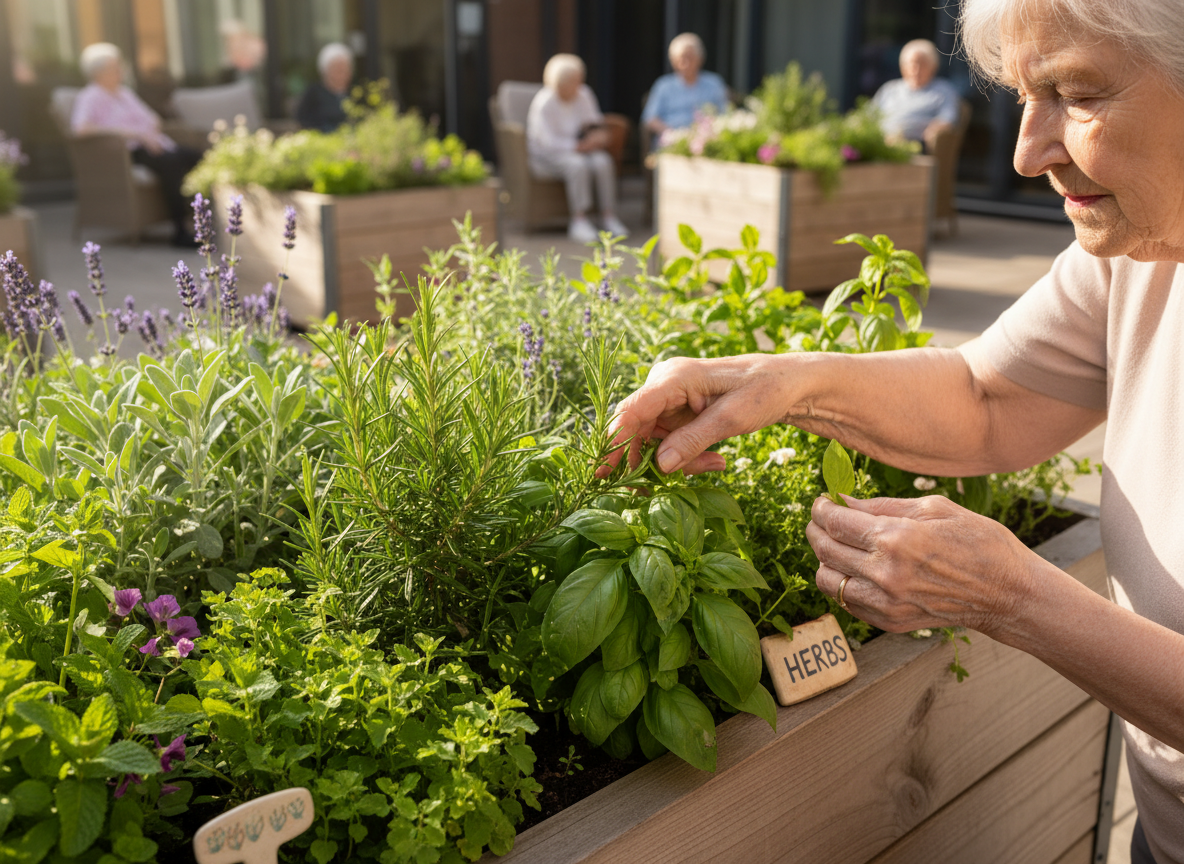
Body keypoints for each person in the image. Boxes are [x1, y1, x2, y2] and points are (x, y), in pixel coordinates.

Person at [602, 2, 1184, 862]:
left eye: (1073, 92)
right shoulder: (1145, 251)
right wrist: (774, 381)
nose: (1027, 152)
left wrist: (1014, 596)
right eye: (1025, 96)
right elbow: (986, 398)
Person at [71, 42, 202, 246]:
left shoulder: (124, 93)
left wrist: (151, 132)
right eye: (116, 68)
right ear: (100, 73)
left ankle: (204, 221)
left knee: (197, 156)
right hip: (126, 153)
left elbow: (152, 118)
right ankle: (180, 231)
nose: (121, 71)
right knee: (172, 163)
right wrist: (131, 134)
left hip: (156, 144)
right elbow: (81, 129)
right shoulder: (90, 97)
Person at [526, 54, 628, 243]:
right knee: (577, 165)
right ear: (559, 83)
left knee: (603, 161)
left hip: (582, 148)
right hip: (549, 155)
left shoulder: (584, 94)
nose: (579, 85)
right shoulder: (544, 103)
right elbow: (547, 143)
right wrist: (578, 147)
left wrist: (597, 137)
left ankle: (608, 216)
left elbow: (593, 122)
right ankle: (579, 219)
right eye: (574, 81)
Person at [871, 38, 961, 151]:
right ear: (902, 67)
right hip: (881, 142)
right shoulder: (889, 89)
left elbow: (948, 119)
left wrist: (934, 130)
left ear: (934, 67)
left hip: (916, 146)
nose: (916, 70)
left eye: (922, 64)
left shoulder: (944, 90)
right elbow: (870, 117)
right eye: (911, 64)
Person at [642, 33, 729, 137]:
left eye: (690, 57)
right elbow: (650, 119)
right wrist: (671, 133)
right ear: (673, 61)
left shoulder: (714, 83)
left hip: (706, 140)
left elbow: (725, 115)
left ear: (700, 59)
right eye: (682, 58)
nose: (686, 63)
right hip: (671, 142)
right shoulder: (663, 86)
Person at [296, 43, 353, 132]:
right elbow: (303, 121)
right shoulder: (314, 93)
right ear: (325, 71)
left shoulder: (356, 93)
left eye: (344, 69)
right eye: (337, 69)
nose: (342, 74)